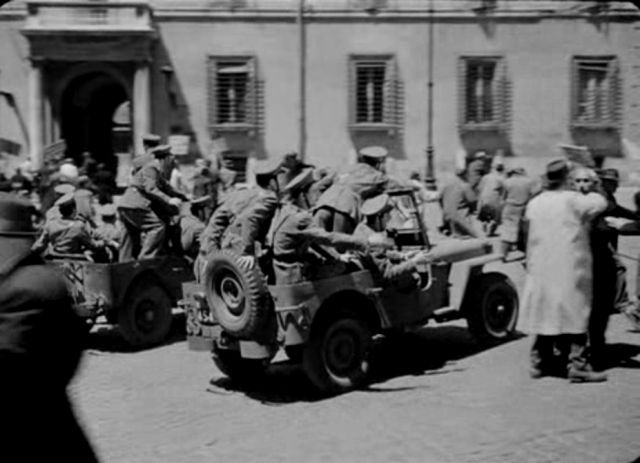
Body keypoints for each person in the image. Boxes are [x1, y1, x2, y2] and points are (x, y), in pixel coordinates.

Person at [0, 193, 99, 461]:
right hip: (75, 267)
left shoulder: (51, 229)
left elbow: (42, 242)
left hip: (58, 262)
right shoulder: (78, 226)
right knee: (79, 302)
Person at [518, 159, 608, 383]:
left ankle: (539, 363)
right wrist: (594, 182)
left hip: (540, 266)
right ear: (568, 179)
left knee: (544, 311)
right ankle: (578, 366)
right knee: (575, 312)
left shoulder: (535, 202)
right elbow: (601, 202)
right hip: (569, 266)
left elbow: (525, 230)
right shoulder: (574, 200)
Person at [269, 168, 380, 285]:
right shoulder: (301, 218)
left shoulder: (286, 211)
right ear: (302, 195)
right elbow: (329, 238)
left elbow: (314, 241)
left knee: (337, 263)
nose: (317, 197)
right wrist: (363, 242)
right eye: (313, 192)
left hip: (285, 271)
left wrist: (337, 256)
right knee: (352, 268)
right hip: (298, 275)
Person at [588, 168, 640, 368]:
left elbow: (618, 211)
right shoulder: (600, 198)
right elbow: (611, 214)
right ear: (603, 182)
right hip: (602, 250)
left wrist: (635, 217)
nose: (617, 185)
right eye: (613, 181)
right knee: (618, 272)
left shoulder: (607, 196)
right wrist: (631, 222)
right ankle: (622, 305)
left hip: (607, 249)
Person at [196, 159, 281, 279]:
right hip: (237, 247)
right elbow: (249, 219)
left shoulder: (244, 193)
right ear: (273, 182)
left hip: (222, 242)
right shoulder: (269, 198)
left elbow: (217, 220)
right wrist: (247, 252)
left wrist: (210, 251)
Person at [117, 144, 188, 261]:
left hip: (126, 204)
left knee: (130, 233)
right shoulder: (151, 168)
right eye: (171, 161)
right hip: (136, 203)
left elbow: (168, 188)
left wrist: (183, 197)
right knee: (157, 227)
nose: (172, 164)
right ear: (165, 159)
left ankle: (124, 264)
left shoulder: (157, 172)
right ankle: (146, 258)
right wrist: (170, 200)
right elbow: (151, 189)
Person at [314, 146, 389, 234]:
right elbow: (397, 187)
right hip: (346, 204)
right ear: (378, 163)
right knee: (339, 240)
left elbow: (320, 186)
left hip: (326, 200)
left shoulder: (344, 169)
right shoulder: (378, 176)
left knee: (316, 237)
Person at [32, 192, 106, 259]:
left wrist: (32, 251)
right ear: (74, 209)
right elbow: (92, 246)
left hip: (56, 258)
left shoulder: (51, 224)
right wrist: (103, 242)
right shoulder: (79, 226)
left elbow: (40, 245)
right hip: (75, 260)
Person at [499, 167, 539, 256]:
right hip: (523, 207)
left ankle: (503, 254)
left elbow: (503, 197)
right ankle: (525, 254)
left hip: (509, 207)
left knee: (507, 230)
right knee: (523, 231)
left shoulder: (507, 182)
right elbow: (533, 194)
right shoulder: (529, 181)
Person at [440, 167, 483, 238]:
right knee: (475, 235)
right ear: (465, 174)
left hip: (447, 216)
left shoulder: (447, 186)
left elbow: (440, 199)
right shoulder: (465, 185)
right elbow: (473, 200)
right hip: (460, 216)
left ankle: (455, 233)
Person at [477, 160, 506, 236]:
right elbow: (503, 192)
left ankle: (485, 223)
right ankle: (491, 229)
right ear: (502, 169)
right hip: (494, 199)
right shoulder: (501, 178)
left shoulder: (485, 177)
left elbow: (479, 188)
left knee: (485, 215)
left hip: (484, 199)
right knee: (496, 217)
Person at [191, 158, 219, 223]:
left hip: (206, 208)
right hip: (197, 207)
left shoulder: (208, 181)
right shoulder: (197, 180)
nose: (195, 169)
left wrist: (196, 201)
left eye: (198, 167)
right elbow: (195, 193)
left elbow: (210, 196)